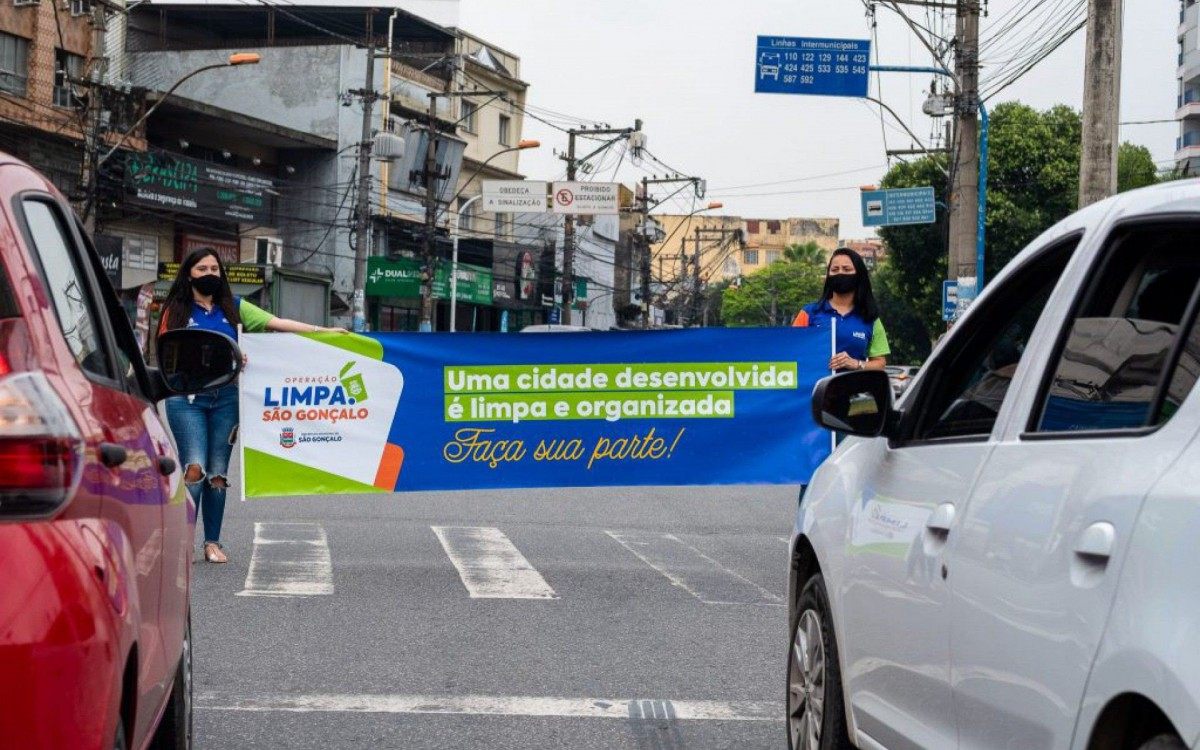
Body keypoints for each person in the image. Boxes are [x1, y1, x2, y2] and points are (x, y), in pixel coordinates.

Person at [158, 247, 343, 564]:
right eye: (202, 269)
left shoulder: (234, 308)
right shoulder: (174, 311)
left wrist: (324, 332)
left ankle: (212, 542)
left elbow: (277, 323)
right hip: (187, 399)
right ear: (189, 274)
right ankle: (180, 542)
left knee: (217, 473)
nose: (210, 275)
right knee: (195, 468)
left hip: (227, 399)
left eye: (215, 269)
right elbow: (166, 354)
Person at [792, 247, 890, 372]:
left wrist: (856, 364)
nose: (840, 273)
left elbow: (880, 363)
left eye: (846, 269)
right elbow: (792, 351)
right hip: (814, 389)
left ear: (858, 275)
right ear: (828, 275)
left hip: (853, 389)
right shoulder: (809, 313)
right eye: (834, 269)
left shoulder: (870, 318)